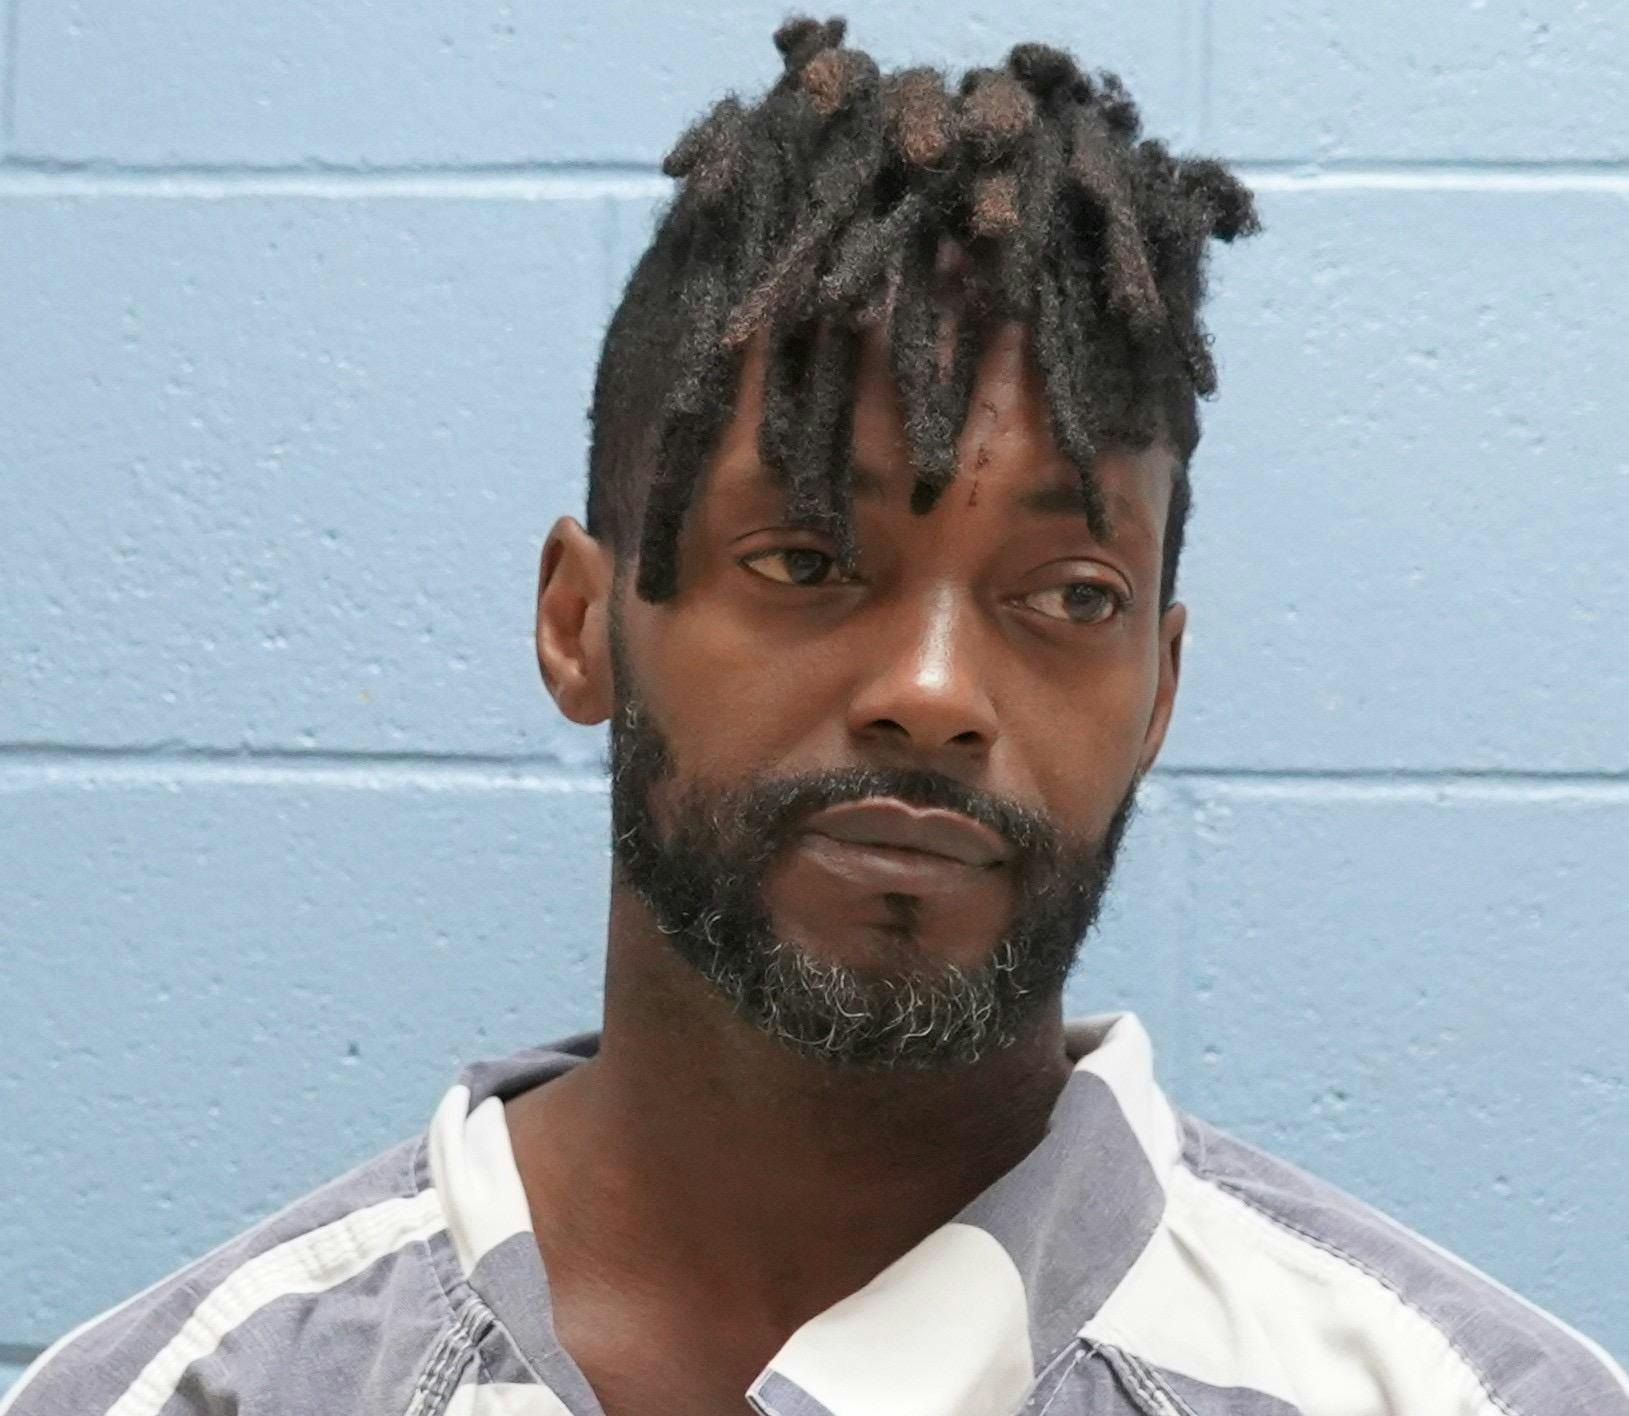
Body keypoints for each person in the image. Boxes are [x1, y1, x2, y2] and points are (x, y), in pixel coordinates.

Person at [6, 16, 1625, 1416]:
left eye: (1070, 596)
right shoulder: (190, 1390)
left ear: (1158, 693)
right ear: (579, 625)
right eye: (804, 559)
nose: (931, 693)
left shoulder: (1455, 1395)